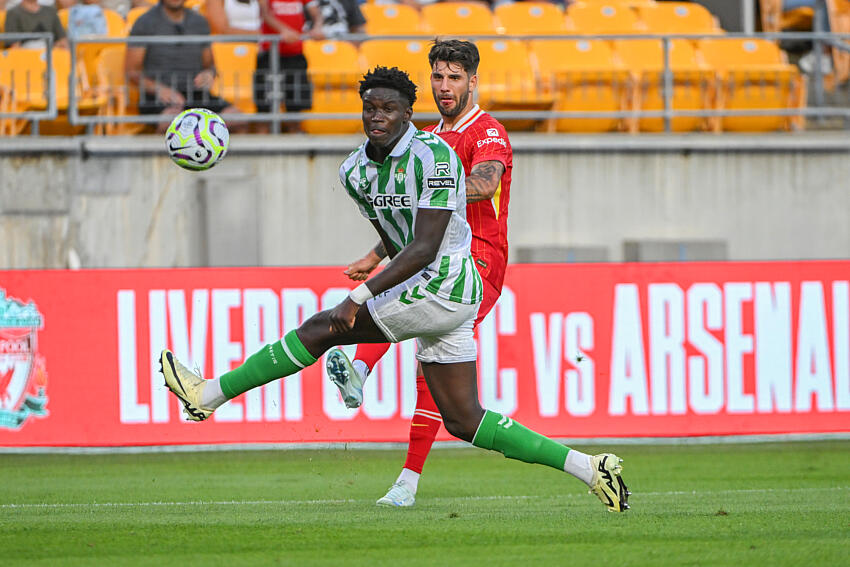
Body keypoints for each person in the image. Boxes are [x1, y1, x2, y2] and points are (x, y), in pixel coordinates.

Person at [159, 65, 630, 514]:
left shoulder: (435, 157)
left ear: (409, 114)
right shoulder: (354, 172)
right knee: (464, 420)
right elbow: (396, 232)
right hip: (434, 289)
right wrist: (375, 257)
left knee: (323, 328)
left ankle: (208, 395)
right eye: (370, 108)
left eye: (388, 109)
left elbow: (424, 246)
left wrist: (360, 297)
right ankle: (591, 469)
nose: (377, 117)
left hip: (447, 282)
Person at [329, 39, 513, 508]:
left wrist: (436, 185)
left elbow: (486, 181)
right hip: (436, 258)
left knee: (417, 352)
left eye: (455, 77)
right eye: (438, 76)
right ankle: (404, 477)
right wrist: (377, 254)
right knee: (428, 362)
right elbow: (416, 220)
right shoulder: (426, 138)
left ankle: (364, 376)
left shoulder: (487, 131)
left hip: (478, 260)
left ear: (473, 81)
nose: (445, 86)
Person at [126, 0, 242, 132]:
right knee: (173, 123)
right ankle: (164, 152)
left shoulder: (200, 22)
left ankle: (218, 152)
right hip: (158, 97)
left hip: (195, 93)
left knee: (237, 118)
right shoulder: (145, 22)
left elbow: (209, 65)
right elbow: (131, 71)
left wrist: (208, 74)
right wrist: (160, 89)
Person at [254, 0, 323, 133]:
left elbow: (316, 12)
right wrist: (284, 30)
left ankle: (296, 149)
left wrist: (317, 27)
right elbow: (265, 13)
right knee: (264, 108)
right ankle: (262, 148)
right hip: (270, 53)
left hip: (295, 54)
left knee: (296, 108)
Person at [3, 0, 68, 48]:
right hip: (26, 57)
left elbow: (63, 41)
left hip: (51, 55)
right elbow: (14, 47)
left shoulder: (51, 12)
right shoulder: (13, 13)